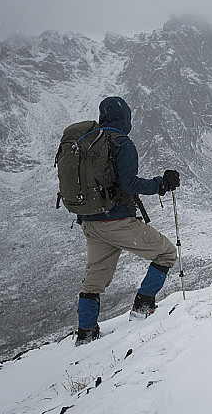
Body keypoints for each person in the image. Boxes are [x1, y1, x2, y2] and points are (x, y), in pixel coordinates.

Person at [75, 96, 181, 346]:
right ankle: (143, 308)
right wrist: (161, 184)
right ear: (125, 119)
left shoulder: (87, 143)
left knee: (94, 280)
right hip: (116, 221)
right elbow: (128, 184)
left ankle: (86, 334)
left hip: (90, 222)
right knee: (166, 253)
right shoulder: (121, 143)